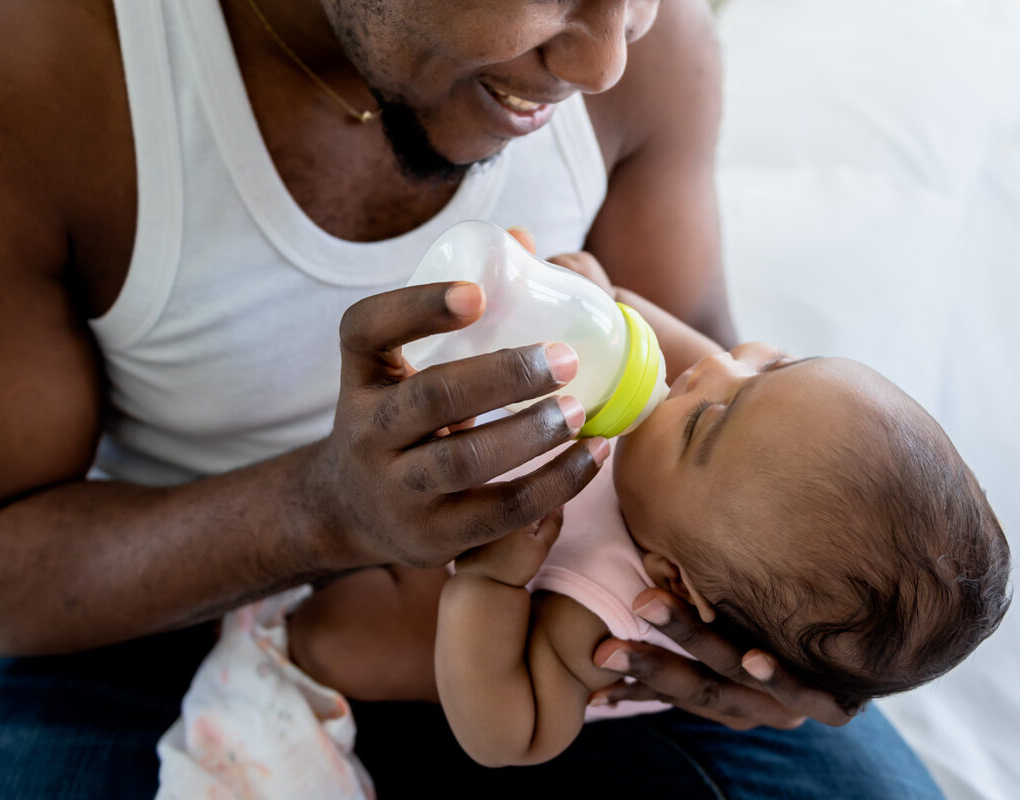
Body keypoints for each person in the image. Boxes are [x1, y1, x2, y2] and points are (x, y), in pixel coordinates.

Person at [0, 0, 949, 795]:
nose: (602, 65)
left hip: (540, 626)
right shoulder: (39, 54)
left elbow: (709, 389)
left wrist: (751, 630)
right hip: (150, 627)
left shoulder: (651, 52)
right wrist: (329, 509)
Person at [433, 254, 1011, 767]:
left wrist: (488, 582)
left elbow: (514, 735)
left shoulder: (603, 614)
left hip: (431, 601)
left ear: (672, 579)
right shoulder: (714, 431)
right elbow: (647, 338)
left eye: (703, 421)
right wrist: (603, 305)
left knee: (365, 644)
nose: (717, 366)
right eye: (776, 365)